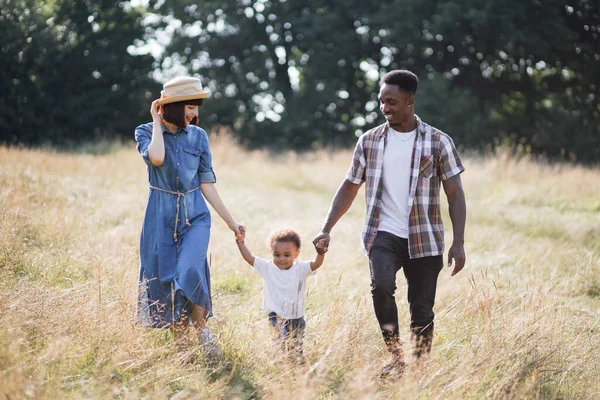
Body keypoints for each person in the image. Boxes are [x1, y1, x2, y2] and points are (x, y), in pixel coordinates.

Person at [312, 69, 466, 377]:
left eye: (392, 101)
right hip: (383, 233)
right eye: (382, 101)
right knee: (381, 286)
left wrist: (458, 242)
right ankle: (396, 356)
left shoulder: (438, 142)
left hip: (425, 238)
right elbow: (350, 186)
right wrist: (326, 227)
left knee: (421, 310)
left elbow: (455, 194)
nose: (385, 108)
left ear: (410, 101)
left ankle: (420, 371)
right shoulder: (369, 141)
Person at [135, 76, 243, 357]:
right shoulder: (146, 132)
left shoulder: (199, 136)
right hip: (160, 218)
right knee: (166, 280)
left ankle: (203, 333)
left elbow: (206, 183)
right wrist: (157, 122)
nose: (195, 113)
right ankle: (182, 353)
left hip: (195, 216)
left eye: (197, 107)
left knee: (190, 271)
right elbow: (156, 158)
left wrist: (231, 222)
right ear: (171, 107)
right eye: (190, 107)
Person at [235, 227, 327, 362]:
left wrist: (320, 253)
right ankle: (280, 365)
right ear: (271, 253)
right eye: (276, 254)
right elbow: (249, 258)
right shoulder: (267, 267)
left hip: (296, 316)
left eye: (287, 255)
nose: (281, 259)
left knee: (295, 349)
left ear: (296, 254)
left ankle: (294, 369)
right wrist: (240, 243)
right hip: (275, 315)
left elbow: (316, 263)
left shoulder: (300, 269)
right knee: (280, 343)